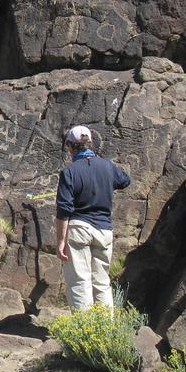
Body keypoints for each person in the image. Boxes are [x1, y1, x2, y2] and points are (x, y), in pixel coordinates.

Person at [54, 126, 131, 311]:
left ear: (70, 147)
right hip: (104, 231)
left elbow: (64, 210)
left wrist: (60, 241)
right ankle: (105, 332)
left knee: (80, 283)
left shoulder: (69, 172)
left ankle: (84, 334)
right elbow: (125, 180)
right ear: (90, 142)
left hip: (79, 229)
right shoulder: (107, 166)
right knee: (102, 283)